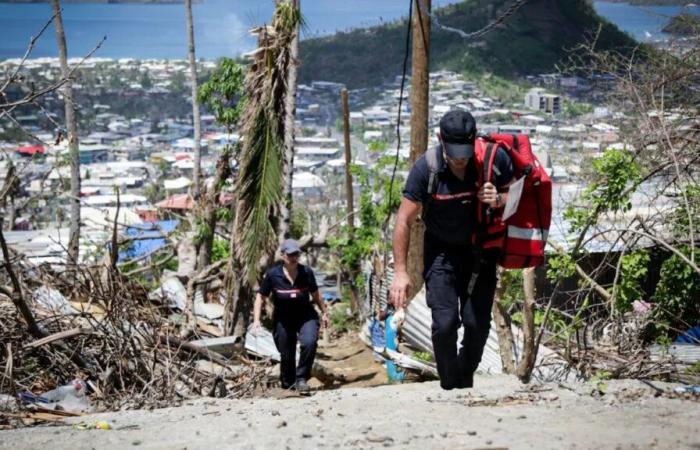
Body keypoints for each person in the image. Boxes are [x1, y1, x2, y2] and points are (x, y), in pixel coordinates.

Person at [389, 110, 514, 390]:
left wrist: (500, 199)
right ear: (440, 139)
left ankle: (463, 374)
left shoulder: (494, 162)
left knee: (476, 325)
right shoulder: (427, 169)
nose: (460, 158)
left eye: (465, 151)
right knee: (445, 324)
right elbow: (403, 219)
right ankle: (448, 383)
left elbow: (518, 197)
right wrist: (400, 272)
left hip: (481, 255)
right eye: (454, 151)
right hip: (441, 254)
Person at [253, 239, 330, 395]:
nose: (294, 257)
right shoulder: (273, 275)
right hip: (283, 319)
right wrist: (256, 320)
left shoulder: (306, 272)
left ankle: (302, 379)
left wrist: (325, 313)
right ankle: (288, 383)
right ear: (282, 255)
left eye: (296, 254)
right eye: (291, 254)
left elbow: (316, 294)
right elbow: (260, 297)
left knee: (309, 342)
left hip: (305, 316)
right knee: (286, 353)